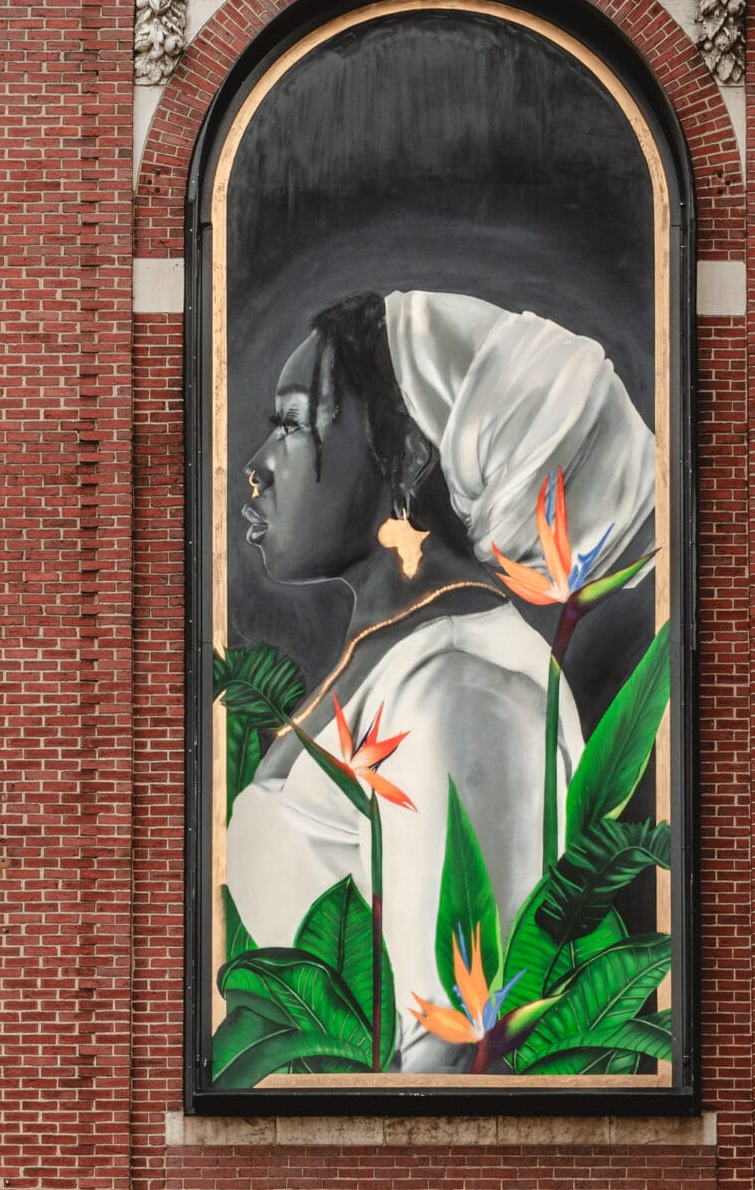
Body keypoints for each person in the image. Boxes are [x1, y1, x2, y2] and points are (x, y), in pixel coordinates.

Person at [227, 288, 657, 1072]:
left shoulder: (462, 685)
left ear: (406, 457)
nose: (256, 468)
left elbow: (455, 1055)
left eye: (293, 424)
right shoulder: (397, 653)